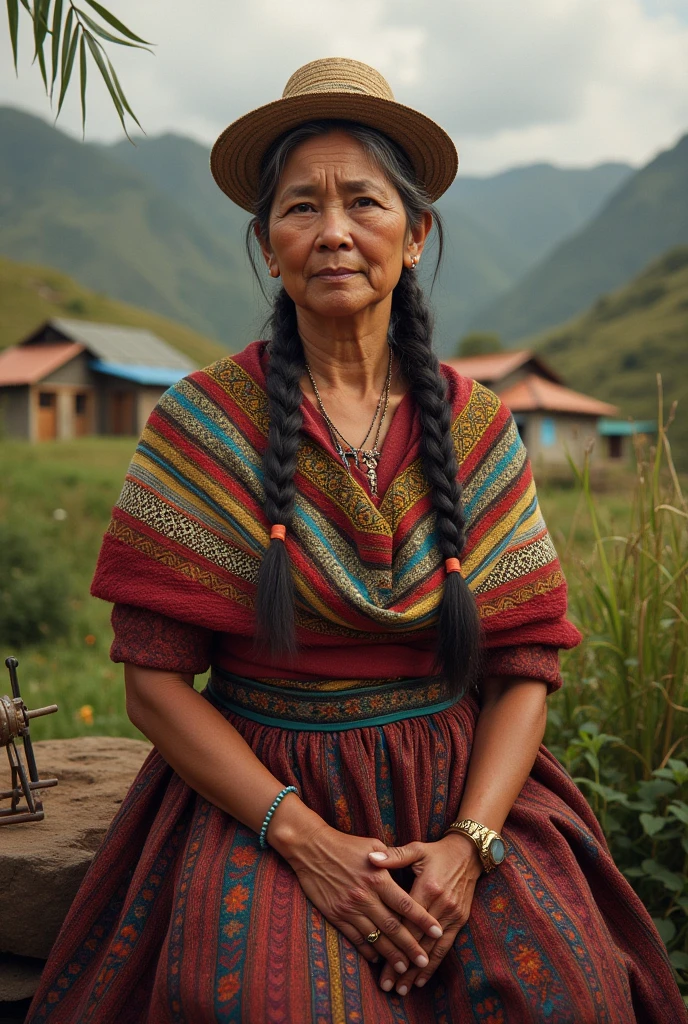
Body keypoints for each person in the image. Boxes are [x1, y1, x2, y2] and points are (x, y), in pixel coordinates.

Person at [27, 58, 685, 1024]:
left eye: (364, 203)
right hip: (266, 790)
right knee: (265, 1004)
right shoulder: (201, 425)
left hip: (460, 786)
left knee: (565, 995)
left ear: (415, 234)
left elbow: (524, 666)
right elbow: (154, 682)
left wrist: (468, 846)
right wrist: (303, 839)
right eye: (301, 208)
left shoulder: (479, 427)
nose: (333, 231)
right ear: (267, 242)